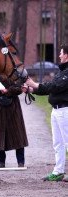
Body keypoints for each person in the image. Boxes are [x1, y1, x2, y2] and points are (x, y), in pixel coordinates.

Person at [25, 44, 68, 182]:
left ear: (67, 55)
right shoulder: (61, 72)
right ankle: (58, 171)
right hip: (56, 111)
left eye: (61, 53)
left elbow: (54, 87)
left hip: (65, 111)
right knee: (58, 143)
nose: (60, 55)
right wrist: (32, 90)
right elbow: (49, 89)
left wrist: (34, 84)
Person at [0, 75, 28, 168]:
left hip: (14, 111)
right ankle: (1, 161)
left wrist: (8, 91)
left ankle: (21, 162)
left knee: (18, 136)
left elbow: (20, 88)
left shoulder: (13, 76)